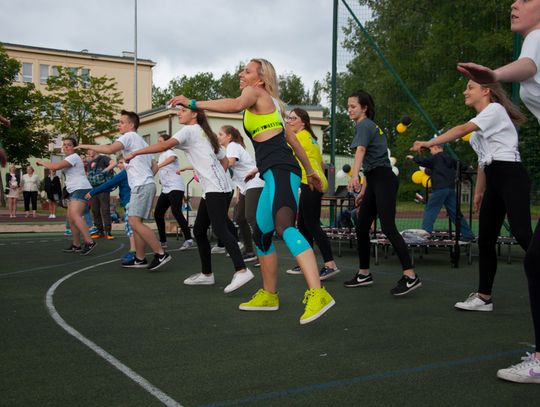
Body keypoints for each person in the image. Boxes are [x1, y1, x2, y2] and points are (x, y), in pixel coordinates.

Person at [168, 58, 335, 324]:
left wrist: (192, 103)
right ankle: (269, 295)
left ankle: (318, 292)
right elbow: (290, 139)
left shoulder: (254, 92)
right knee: (260, 236)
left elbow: (235, 104)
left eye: (246, 71)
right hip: (272, 173)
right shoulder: (270, 105)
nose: (241, 74)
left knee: (284, 226)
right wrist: (311, 172)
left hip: (282, 171)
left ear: (261, 78)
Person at [456, 0, 540, 383]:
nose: (514, 3)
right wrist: (480, 190)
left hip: (512, 175)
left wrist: (493, 74)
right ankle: (484, 296)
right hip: (497, 174)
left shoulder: (537, 40)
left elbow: (527, 66)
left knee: (531, 249)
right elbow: (484, 156)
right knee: (496, 241)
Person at [125, 106, 254, 294]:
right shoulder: (205, 133)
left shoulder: (190, 130)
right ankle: (207, 275)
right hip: (213, 188)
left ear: (194, 114)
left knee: (219, 228)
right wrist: (212, 174)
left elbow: (164, 146)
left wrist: (136, 153)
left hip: (216, 189)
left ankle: (241, 270)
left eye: (183, 110)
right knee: (200, 231)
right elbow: (223, 160)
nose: (179, 113)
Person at [344, 90, 421, 295]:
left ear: (364, 108)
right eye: (348, 106)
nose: (349, 110)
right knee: (361, 226)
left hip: (384, 180)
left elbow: (361, 152)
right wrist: (365, 190)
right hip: (376, 178)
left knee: (388, 227)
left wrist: (353, 177)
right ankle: (364, 273)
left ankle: (410, 276)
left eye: (353, 106)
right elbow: (372, 164)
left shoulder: (364, 125)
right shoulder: (367, 126)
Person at [77, 110, 171, 272]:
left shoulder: (129, 137)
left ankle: (161, 253)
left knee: (134, 222)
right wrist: (147, 178)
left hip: (142, 186)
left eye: (121, 122)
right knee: (136, 224)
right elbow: (154, 165)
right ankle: (140, 258)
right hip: (144, 185)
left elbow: (109, 149)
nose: (118, 125)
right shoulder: (141, 141)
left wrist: (86, 145)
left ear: (131, 125)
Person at [285, 108, 340, 280]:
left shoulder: (299, 137)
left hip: (310, 183)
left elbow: (281, 153)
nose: (289, 121)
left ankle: (330, 264)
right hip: (316, 182)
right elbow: (322, 164)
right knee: (303, 225)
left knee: (312, 224)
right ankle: (306, 264)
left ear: (303, 121)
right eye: (288, 118)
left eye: (293, 118)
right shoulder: (312, 139)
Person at [37, 138, 97, 255]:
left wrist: (42, 162)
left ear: (74, 147)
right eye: (64, 145)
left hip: (81, 188)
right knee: (70, 218)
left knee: (75, 215)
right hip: (73, 190)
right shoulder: (68, 158)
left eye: (69, 145)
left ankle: (89, 242)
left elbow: (55, 166)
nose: (66, 147)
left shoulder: (73, 157)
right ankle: (76, 244)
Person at [406, 144, 475, 241]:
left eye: (431, 149)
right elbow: (462, 165)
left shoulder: (436, 158)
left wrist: (413, 158)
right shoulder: (450, 158)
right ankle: (468, 234)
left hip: (439, 188)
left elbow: (424, 162)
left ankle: (426, 231)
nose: (430, 152)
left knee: (431, 209)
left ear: (436, 148)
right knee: (455, 213)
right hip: (450, 188)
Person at [217, 125, 264, 263]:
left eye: (220, 134)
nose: (218, 136)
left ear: (229, 136)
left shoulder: (232, 145)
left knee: (250, 217)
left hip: (255, 181)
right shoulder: (230, 148)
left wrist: (215, 170)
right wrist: (239, 193)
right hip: (245, 186)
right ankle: (249, 251)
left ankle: (264, 252)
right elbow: (238, 173)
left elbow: (230, 163)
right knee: (239, 217)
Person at [85, 156, 137, 265]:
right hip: (132, 202)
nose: (118, 165)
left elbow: (109, 184)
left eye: (120, 163)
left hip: (130, 202)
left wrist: (92, 192)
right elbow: (111, 186)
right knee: (135, 227)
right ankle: (137, 251)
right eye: (118, 163)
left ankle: (134, 251)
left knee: (130, 228)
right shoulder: (133, 172)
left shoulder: (125, 173)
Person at [154, 133, 194, 251]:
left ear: (167, 143)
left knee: (176, 212)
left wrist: (159, 166)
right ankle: (163, 241)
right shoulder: (160, 155)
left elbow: (172, 158)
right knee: (158, 214)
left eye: (160, 141)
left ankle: (188, 239)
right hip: (166, 188)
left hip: (176, 187)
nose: (158, 143)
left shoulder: (169, 152)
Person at [87, 149, 115, 239]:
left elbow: (113, 163)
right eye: (87, 150)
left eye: (90, 150)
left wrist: (104, 171)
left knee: (105, 210)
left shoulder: (103, 158)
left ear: (95, 150)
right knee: (95, 210)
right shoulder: (90, 162)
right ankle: (100, 231)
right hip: (94, 189)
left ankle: (108, 232)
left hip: (103, 188)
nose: (88, 151)